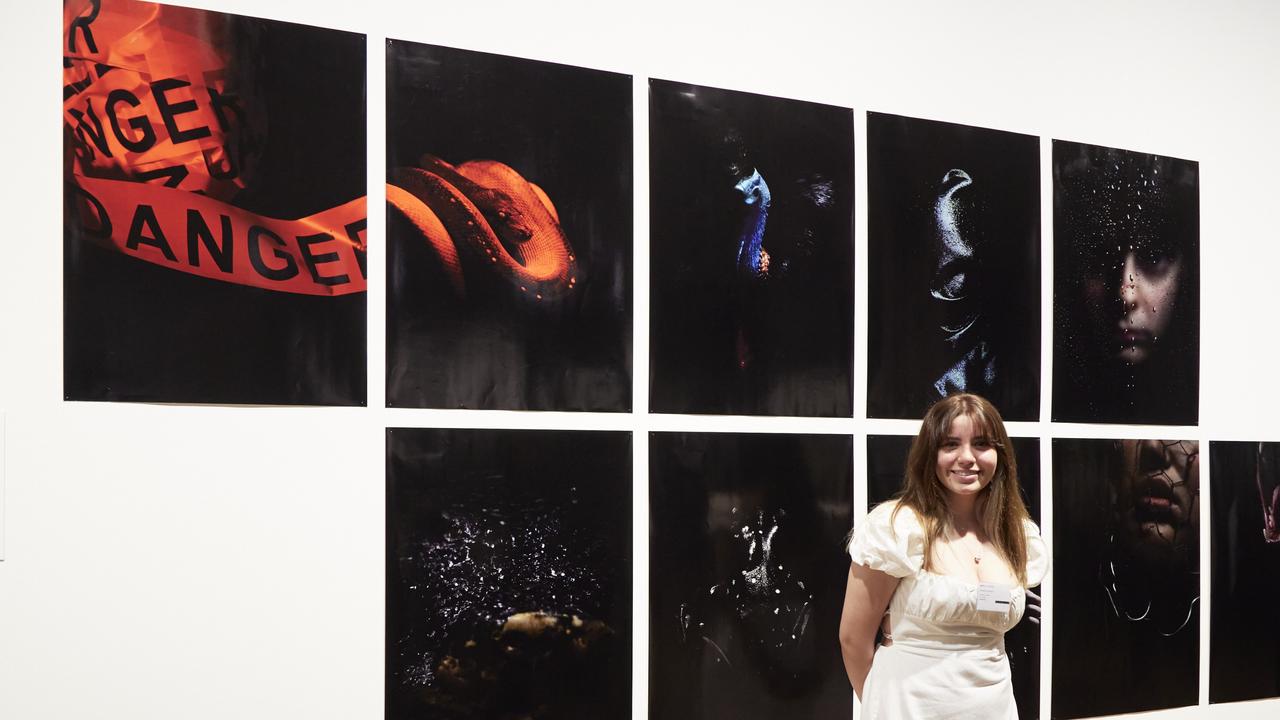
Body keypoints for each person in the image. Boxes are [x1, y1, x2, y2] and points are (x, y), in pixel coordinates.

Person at [839, 393, 1047, 718]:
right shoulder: (898, 528)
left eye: (981, 444)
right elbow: (853, 640)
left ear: (1000, 455)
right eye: (950, 445)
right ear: (929, 454)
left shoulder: (1016, 535)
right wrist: (883, 705)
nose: (967, 457)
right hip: (908, 707)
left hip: (993, 707)